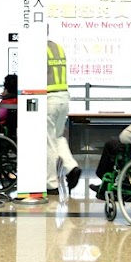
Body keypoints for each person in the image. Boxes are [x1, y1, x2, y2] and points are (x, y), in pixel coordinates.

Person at [46, 38, 82, 194]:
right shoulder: (58, 47)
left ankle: (51, 184)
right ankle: (71, 167)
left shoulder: (36, 49)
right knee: (58, 137)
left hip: (48, 99)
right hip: (63, 97)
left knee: (48, 142)